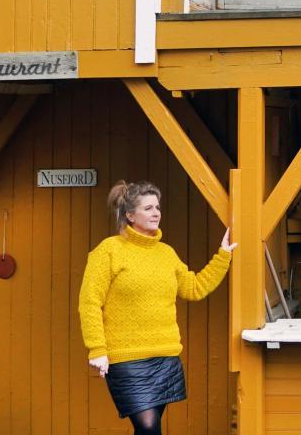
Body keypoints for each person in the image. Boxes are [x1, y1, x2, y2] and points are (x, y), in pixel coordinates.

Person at [79, 181, 233, 435]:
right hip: (126, 357)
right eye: (148, 207)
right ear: (130, 215)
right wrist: (97, 348)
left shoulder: (166, 253)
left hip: (164, 355)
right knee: (148, 426)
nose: (156, 212)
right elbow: (90, 302)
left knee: (149, 429)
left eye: (157, 207)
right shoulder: (108, 251)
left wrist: (223, 256)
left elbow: (193, 288)